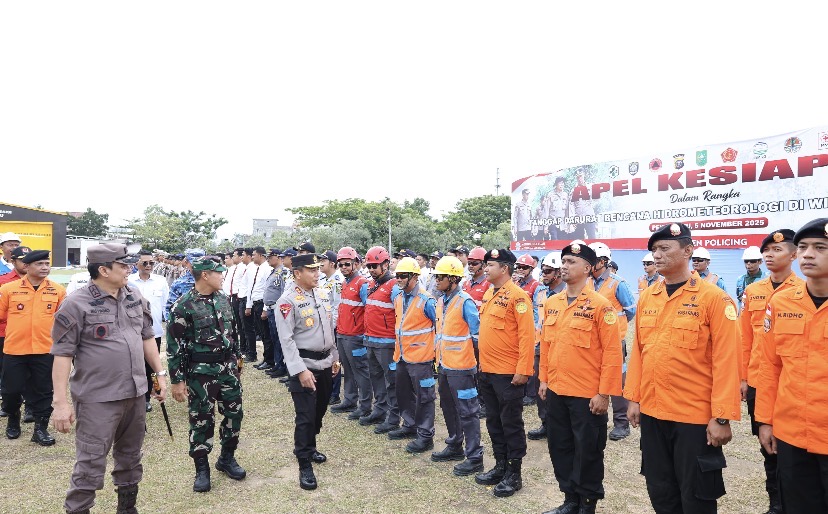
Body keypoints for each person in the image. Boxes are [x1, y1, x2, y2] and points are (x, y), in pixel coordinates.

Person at [625, 223, 741, 514]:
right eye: (654, 250)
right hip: (653, 412)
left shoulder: (714, 299)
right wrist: (634, 397)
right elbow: (640, 351)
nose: (657, 255)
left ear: (688, 251)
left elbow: (727, 360)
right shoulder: (648, 297)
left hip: (694, 418)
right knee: (660, 489)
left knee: (696, 497)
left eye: (664, 248)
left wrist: (722, 417)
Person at [51, 243, 167, 514]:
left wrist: (159, 373)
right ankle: (78, 509)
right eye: (123, 265)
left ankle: (127, 508)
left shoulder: (133, 295)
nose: (130, 269)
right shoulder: (76, 303)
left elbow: (147, 336)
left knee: (130, 456)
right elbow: (62, 355)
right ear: (103, 269)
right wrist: (60, 403)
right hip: (97, 399)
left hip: (135, 393)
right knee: (90, 461)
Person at [539, 243, 622, 514]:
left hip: (587, 395)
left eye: (571, 261)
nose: (564, 265)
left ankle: (587, 503)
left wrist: (604, 393)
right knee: (560, 447)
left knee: (587, 450)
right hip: (556, 390)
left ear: (588, 268)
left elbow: (612, 353)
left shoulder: (601, 306)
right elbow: (547, 345)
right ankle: (569, 499)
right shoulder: (552, 303)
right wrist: (543, 380)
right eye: (563, 260)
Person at [756, 219, 828, 513]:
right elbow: (770, 366)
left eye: (820, 248)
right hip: (792, 434)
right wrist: (765, 420)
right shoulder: (782, 303)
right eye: (804, 247)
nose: (808, 254)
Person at [167, 256, 246, 492]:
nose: (223, 276)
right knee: (201, 419)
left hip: (228, 370)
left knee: (234, 414)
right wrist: (177, 381)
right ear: (205, 275)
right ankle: (202, 468)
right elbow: (174, 346)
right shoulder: (184, 305)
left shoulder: (223, 300)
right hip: (200, 372)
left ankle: (226, 458)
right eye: (219, 272)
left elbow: (233, 334)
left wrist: (237, 360)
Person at [739, 229, 800, 514]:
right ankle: (775, 503)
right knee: (768, 447)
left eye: (778, 251)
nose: (770, 255)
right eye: (767, 252)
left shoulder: (802, 291)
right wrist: (741, 378)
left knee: (793, 449)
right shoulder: (753, 292)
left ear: (793, 255)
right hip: (758, 382)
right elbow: (744, 339)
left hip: (791, 385)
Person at [275, 253, 340, 491]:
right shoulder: (287, 301)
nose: (317, 273)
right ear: (297, 273)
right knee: (305, 416)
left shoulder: (321, 293)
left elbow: (329, 329)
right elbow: (287, 340)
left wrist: (335, 357)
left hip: (325, 364)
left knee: (320, 411)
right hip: (304, 367)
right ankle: (304, 463)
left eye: (318, 269)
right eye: (311, 270)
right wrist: (300, 371)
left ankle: (310, 447)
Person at [474, 248, 535, 498]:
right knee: (494, 421)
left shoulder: (518, 297)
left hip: (509, 374)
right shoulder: (490, 293)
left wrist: (523, 370)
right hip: (487, 370)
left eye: (490, 264)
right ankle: (500, 465)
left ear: (504, 268)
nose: (485, 268)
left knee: (510, 424)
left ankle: (514, 474)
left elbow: (527, 337)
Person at [0, 250, 65, 445]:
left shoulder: (58, 290)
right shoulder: (8, 289)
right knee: (10, 391)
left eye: (47, 263)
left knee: (44, 391)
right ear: (26, 267)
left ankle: (40, 429)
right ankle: (13, 418)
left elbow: (62, 320)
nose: (45, 267)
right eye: (40, 264)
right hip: (14, 350)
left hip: (45, 350)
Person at [430, 256, 483, 476]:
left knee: (468, 412)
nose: (436, 281)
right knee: (448, 407)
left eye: (440, 277)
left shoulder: (465, 301)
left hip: (462, 368)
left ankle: (475, 457)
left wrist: (478, 366)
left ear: (453, 279)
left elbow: (478, 335)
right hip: (444, 366)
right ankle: (455, 444)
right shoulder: (442, 300)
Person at [587, 242, 636, 441]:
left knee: (617, 380)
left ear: (603, 262)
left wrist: (617, 327)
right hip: (590, 340)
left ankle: (621, 423)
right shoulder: (586, 282)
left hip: (615, 340)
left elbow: (630, 310)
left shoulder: (618, 283)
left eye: (592, 261)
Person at [390, 257, 437, 453]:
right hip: (402, 357)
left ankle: (425, 435)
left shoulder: (427, 301)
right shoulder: (399, 298)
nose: (398, 280)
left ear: (415, 277)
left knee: (425, 398)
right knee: (403, 393)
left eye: (402, 276)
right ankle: (409, 425)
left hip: (421, 359)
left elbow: (440, 327)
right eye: (397, 276)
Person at [358, 246, 402, 433]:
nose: (371, 269)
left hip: (387, 343)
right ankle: (380, 410)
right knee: (376, 378)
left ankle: (393, 418)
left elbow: (400, 313)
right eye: (369, 266)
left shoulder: (394, 286)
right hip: (371, 340)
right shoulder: (370, 285)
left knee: (391, 381)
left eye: (375, 266)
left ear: (386, 264)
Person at [331, 247, 372, 419]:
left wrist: (363, 333)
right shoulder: (345, 282)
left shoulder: (362, 284)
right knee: (347, 369)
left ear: (356, 263)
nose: (344, 267)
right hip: (343, 333)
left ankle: (365, 405)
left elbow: (369, 310)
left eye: (347, 264)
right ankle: (349, 399)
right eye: (341, 265)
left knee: (361, 371)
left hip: (356, 336)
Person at [527, 252, 564, 441]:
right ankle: (545, 423)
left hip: (560, 348)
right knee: (540, 384)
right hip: (540, 345)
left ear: (558, 272)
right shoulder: (541, 291)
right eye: (543, 271)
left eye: (548, 271)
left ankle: (559, 426)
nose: (544, 275)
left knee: (558, 387)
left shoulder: (569, 292)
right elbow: (535, 317)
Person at [128, 250, 170, 412]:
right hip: (132, 331)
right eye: (144, 263)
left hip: (154, 331)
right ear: (136, 264)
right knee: (134, 364)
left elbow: (166, 305)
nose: (148, 266)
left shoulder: (160, 281)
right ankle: (135, 395)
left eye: (151, 263)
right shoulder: (130, 281)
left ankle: (146, 397)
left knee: (151, 365)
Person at [0, 246, 30, 419]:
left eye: (28, 260)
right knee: (8, 371)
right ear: (13, 261)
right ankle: (10, 405)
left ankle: (30, 407)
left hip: (32, 334)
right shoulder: (4, 281)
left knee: (31, 372)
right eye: (22, 260)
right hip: (6, 333)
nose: (26, 264)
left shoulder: (41, 282)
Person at [318, 250, 344, 405]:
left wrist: (330, 327)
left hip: (331, 326)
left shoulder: (337, 281)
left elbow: (337, 306)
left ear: (332, 264)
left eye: (323, 261)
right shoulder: (324, 280)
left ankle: (334, 394)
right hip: (322, 325)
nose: (320, 263)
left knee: (334, 359)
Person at [260, 249, 289, 379]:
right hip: (271, 309)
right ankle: (278, 364)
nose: (267, 259)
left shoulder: (282, 272)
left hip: (278, 309)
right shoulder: (274, 271)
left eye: (270, 257)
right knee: (274, 338)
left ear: (277, 257)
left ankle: (282, 366)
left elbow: (283, 292)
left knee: (279, 339)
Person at [244, 247, 274, 368]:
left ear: (261, 255)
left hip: (262, 303)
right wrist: (249, 305)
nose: (252, 257)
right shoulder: (258, 268)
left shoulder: (267, 269)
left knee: (267, 335)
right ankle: (266, 359)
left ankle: (270, 360)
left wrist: (265, 308)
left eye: (254, 255)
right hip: (256, 303)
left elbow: (268, 290)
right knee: (262, 333)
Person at [165, 248, 205, 318]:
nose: (197, 266)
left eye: (201, 263)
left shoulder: (211, 280)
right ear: (186, 262)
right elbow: (169, 308)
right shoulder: (179, 283)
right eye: (194, 263)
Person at [736, 246, 767, 310]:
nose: (749, 263)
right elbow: (739, 299)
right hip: (743, 315)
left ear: (760, 262)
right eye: (746, 261)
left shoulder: (767, 278)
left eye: (752, 261)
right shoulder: (740, 279)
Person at [568, 170, 597, 240]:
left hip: (589, 216)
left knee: (592, 238)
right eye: (578, 177)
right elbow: (571, 206)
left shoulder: (590, 187)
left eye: (580, 176)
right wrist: (573, 219)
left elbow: (596, 199)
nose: (579, 179)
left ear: (584, 176)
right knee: (579, 241)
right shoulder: (573, 191)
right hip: (579, 218)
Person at [543, 176, 569, 241]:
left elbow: (567, 211)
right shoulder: (550, 195)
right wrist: (545, 226)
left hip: (562, 223)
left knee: (562, 242)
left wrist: (568, 223)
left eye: (563, 183)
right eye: (560, 183)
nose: (562, 184)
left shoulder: (565, 195)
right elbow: (546, 211)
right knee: (554, 239)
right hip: (553, 222)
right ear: (556, 184)